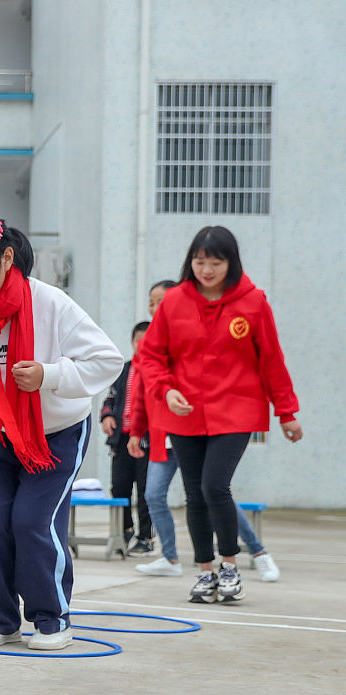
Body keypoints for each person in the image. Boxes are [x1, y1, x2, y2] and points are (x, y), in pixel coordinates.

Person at [0, 213, 122, 651]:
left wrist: (50, 375)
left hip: (56, 434)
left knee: (32, 522)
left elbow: (107, 361)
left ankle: (52, 618)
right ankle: (0, 617)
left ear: (6, 257)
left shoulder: (51, 303)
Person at [137, 226, 301, 604]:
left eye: (216, 261)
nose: (206, 269)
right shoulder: (175, 301)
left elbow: (272, 360)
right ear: (189, 261)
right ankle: (205, 572)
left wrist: (287, 412)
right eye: (199, 261)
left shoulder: (253, 302)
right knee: (194, 494)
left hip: (236, 410)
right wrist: (167, 389)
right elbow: (152, 355)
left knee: (215, 486)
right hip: (185, 410)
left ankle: (230, 565)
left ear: (231, 262)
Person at [130, 280, 280, 580]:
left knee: (214, 490)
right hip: (166, 434)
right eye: (152, 301)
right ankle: (171, 557)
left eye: (160, 300)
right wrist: (136, 430)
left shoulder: (194, 330)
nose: (155, 306)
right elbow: (141, 392)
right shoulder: (150, 344)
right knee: (156, 494)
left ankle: (257, 551)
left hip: (203, 428)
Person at [99, 321, 153, 555]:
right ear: (132, 343)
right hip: (121, 440)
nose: (143, 346)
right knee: (119, 487)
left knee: (145, 490)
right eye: (139, 342)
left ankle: (146, 537)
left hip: (147, 440)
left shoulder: (158, 371)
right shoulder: (123, 370)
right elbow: (109, 399)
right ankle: (124, 531)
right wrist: (107, 417)